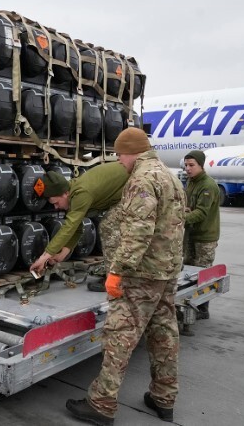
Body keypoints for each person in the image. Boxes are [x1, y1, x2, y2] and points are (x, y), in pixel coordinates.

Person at [65, 127, 186, 425]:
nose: (119, 161)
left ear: (132, 151)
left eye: (120, 155)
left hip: (141, 274)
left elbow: (137, 233)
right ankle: (164, 397)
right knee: (164, 333)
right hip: (166, 271)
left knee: (120, 336)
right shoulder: (170, 176)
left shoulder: (142, 180)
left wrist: (117, 271)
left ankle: (101, 404)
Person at [29, 161, 130, 292]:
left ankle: (116, 280)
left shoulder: (81, 193)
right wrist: (61, 255)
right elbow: (77, 228)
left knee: (108, 227)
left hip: (136, 185)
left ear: (65, 193)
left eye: (56, 202)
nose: (56, 207)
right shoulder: (73, 192)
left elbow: (69, 227)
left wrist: (44, 257)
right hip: (125, 191)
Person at [182, 150, 220, 321]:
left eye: (191, 165)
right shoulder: (192, 182)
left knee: (202, 274)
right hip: (191, 233)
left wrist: (179, 218)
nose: (188, 169)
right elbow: (190, 206)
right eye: (186, 165)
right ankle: (190, 305)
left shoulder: (207, 185)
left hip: (205, 237)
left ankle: (203, 308)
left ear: (201, 165)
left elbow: (201, 213)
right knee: (188, 272)